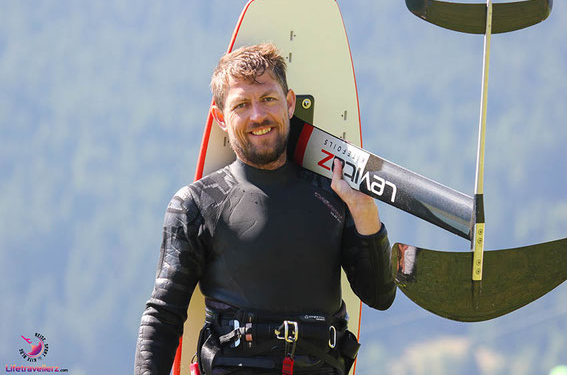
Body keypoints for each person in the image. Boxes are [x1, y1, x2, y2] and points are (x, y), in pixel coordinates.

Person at [134, 43, 396, 375]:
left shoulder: (333, 198)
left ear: (289, 104)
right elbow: (163, 315)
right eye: (241, 105)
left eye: (268, 99)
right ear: (220, 119)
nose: (258, 115)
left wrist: (366, 215)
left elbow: (379, 295)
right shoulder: (197, 204)